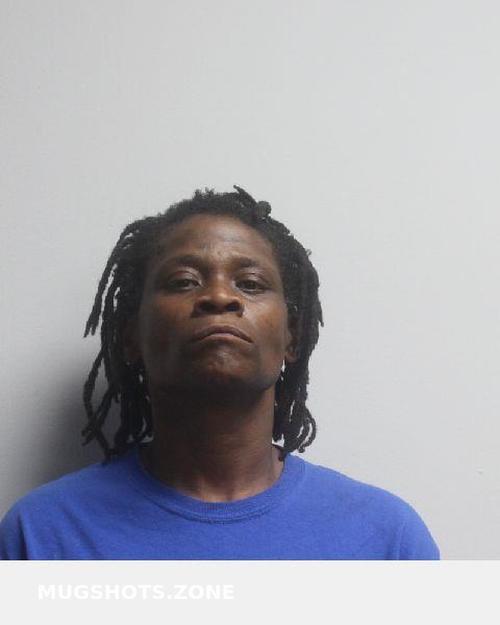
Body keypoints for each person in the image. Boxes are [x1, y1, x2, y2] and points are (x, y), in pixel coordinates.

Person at [0, 186, 440, 559]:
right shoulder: (42, 534)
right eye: (184, 281)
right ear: (131, 336)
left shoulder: (386, 538)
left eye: (250, 283)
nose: (219, 297)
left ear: (292, 336)